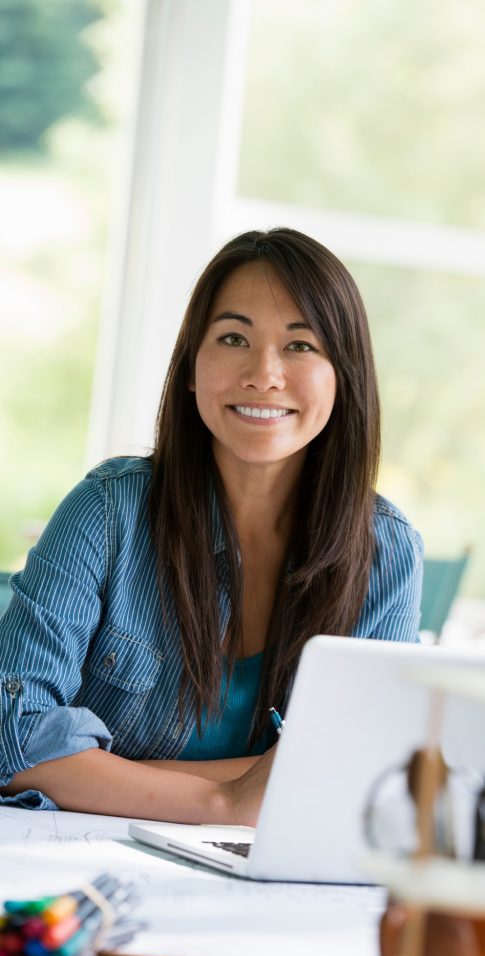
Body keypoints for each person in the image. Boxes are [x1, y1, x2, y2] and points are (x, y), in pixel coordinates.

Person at [0, 227, 423, 824]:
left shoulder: (386, 550)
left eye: (300, 346)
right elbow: (12, 733)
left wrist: (93, 773)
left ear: (343, 375)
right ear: (192, 369)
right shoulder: (107, 510)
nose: (264, 374)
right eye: (233, 338)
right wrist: (224, 800)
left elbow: (357, 768)